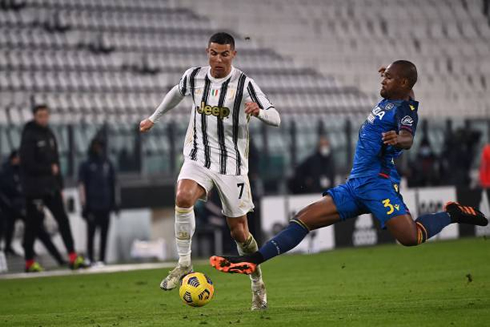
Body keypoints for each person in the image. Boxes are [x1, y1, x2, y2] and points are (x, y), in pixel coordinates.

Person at [210, 61, 488, 278]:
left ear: (402, 83)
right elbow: (407, 87)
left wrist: (399, 140)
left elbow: (408, 135)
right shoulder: (396, 96)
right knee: (302, 219)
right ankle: (251, 260)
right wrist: (393, 77)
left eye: (388, 77)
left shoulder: (405, 110)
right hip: (355, 184)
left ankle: (451, 214)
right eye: (384, 75)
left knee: (410, 237)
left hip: (378, 184)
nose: (382, 80)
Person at [139, 32, 280, 310]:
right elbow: (175, 93)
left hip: (232, 166)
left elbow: (276, 117)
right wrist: (153, 118)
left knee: (239, 233)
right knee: (182, 197)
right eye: (213, 53)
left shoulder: (244, 84)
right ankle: (183, 263)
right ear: (207, 51)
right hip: (198, 156)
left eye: (224, 54)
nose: (217, 59)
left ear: (234, 55)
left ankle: (257, 283)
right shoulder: (194, 76)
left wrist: (259, 112)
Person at [20, 104, 86, 272]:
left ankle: (72, 256)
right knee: (33, 225)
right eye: (40, 115)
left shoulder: (49, 134)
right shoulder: (29, 136)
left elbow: (56, 162)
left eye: (45, 115)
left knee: (63, 220)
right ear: (35, 116)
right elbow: (27, 164)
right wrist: (48, 169)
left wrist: (60, 186)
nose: (43, 118)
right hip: (35, 189)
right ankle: (29, 262)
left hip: (52, 187)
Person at [0, 150, 67, 265]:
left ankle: (57, 258)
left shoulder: (24, 172)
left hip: (26, 206)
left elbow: (34, 191)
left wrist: (37, 205)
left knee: (40, 232)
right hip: (12, 208)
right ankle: (9, 250)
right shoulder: (6, 173)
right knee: (8, 228)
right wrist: (10, 206)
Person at [78, 138, 117, 265]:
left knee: (104, 234)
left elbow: (113, 184)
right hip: (92, 206)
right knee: (91, 233)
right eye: (96, 146)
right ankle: (90, 258)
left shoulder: (107, 164)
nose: (98, 149)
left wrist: (115, 202)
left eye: (100, 146)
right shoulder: (86, 164)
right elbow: (82, 186)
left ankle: (102, 259)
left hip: (105, 205)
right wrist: (84, 205)